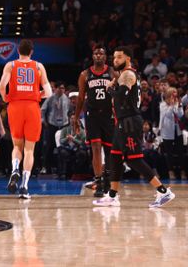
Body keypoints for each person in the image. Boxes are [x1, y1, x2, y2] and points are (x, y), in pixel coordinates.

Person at [93, 46, 175, 208]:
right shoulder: (124, 75)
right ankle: (112, 196)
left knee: (134, 160)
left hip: (130, 122)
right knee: (115, 157)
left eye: (119, 57)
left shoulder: (128, 74)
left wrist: (110, 89)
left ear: (128, 59)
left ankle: (163, 191)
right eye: (114, 57)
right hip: (122, 122)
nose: (115, 60)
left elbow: (121, 98)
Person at [0, 39, 53, 200]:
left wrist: (5, 97)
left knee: (17, 145)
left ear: (18, 51)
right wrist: (38, 94)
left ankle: (15, 168)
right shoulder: (38, 66)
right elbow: (48, 92)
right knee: (30, 149)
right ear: (31, 52)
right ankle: (24, 186)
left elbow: (2, 86)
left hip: (15, 107)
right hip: (32, 107)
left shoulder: (11, 65)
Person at [74, 45, 115, 197]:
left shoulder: (112, 72)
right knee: (96, 147)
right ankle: (98, 181)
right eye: (96, 53)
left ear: (105, 57)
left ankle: (108, 178)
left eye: (101, 53)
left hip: (108, 115)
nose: (98, 56)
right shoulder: (85, 74)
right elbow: (80, 97)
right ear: (92, 56)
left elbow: (118, 94)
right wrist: (76, 117)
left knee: (109, 150)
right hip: (92, 115)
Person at [158, 87, 185, 179]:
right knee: (169, 153)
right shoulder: (162, 105)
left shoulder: (177, 103)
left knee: (180, 152)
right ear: (168, 95)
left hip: (177, 131)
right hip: (167, 132)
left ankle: (182, 171)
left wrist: (180, 106)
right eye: (172, 94)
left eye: (175, 94)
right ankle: (171, 172)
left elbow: (180, 115)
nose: (174, 96)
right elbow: (169, 115)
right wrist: (172, 105)